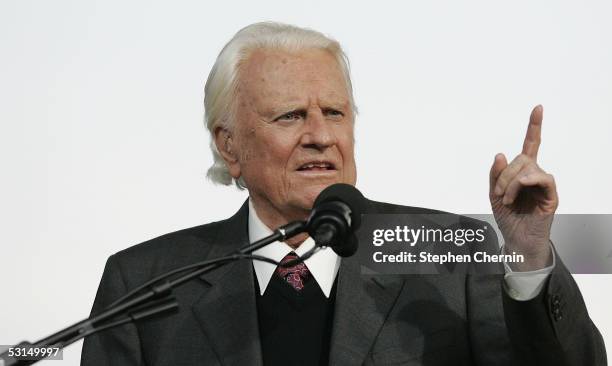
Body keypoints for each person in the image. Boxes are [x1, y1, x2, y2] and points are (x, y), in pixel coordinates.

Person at [80, 22, 606, 366]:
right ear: (230, 146)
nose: (321, 135)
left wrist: (528, 255)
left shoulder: (451, 251)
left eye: (335, 113)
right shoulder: (144, 284)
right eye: (290, 115)